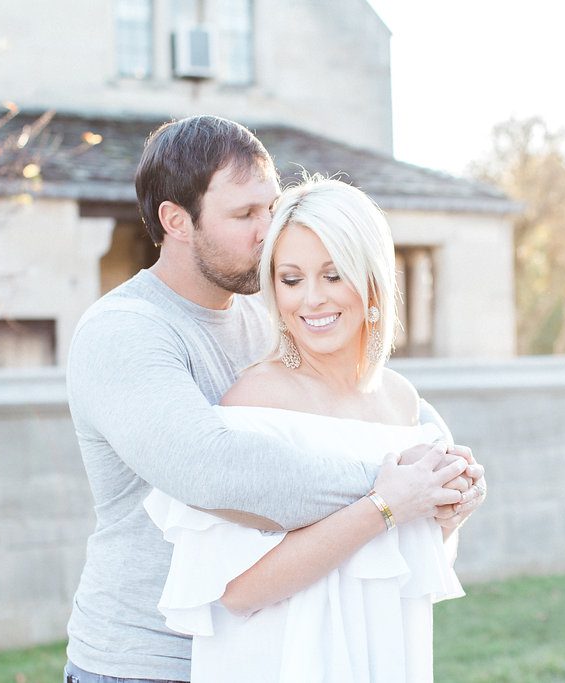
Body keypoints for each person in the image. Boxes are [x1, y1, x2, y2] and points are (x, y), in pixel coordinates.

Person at [63, 116, 486, 683]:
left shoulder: (270, 322)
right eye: (244, 215)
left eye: (271, 206)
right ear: (176, 221)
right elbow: (211, 470)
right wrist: (395, 489)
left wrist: (451, 476)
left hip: (270, 650)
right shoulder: (126, 331)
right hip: (147, 660)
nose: (269, 230)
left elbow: (400, 420)